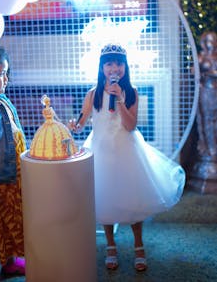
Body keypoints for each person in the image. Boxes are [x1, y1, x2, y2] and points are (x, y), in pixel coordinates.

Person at [68, 44, 185, 272]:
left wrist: (119, 99)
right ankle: (110, 245)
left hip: (126, 150)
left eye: (119, 63)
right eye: (109, 63)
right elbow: (81, 123)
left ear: (125, 66)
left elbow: (130, 126)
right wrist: (75, 126)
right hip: (100, 151)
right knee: (104, 197)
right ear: (102, 68)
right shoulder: (92, 94)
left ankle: (138, 245)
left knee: (133, 197)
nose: (115, 68)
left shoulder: (131, 92)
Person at [0, 42, 26, 282]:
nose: (6, 78)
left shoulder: (2, 100)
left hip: (12, 178)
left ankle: (10, 263)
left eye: (6, 73)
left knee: (11, 224)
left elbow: (15, 133)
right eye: (1, 73)